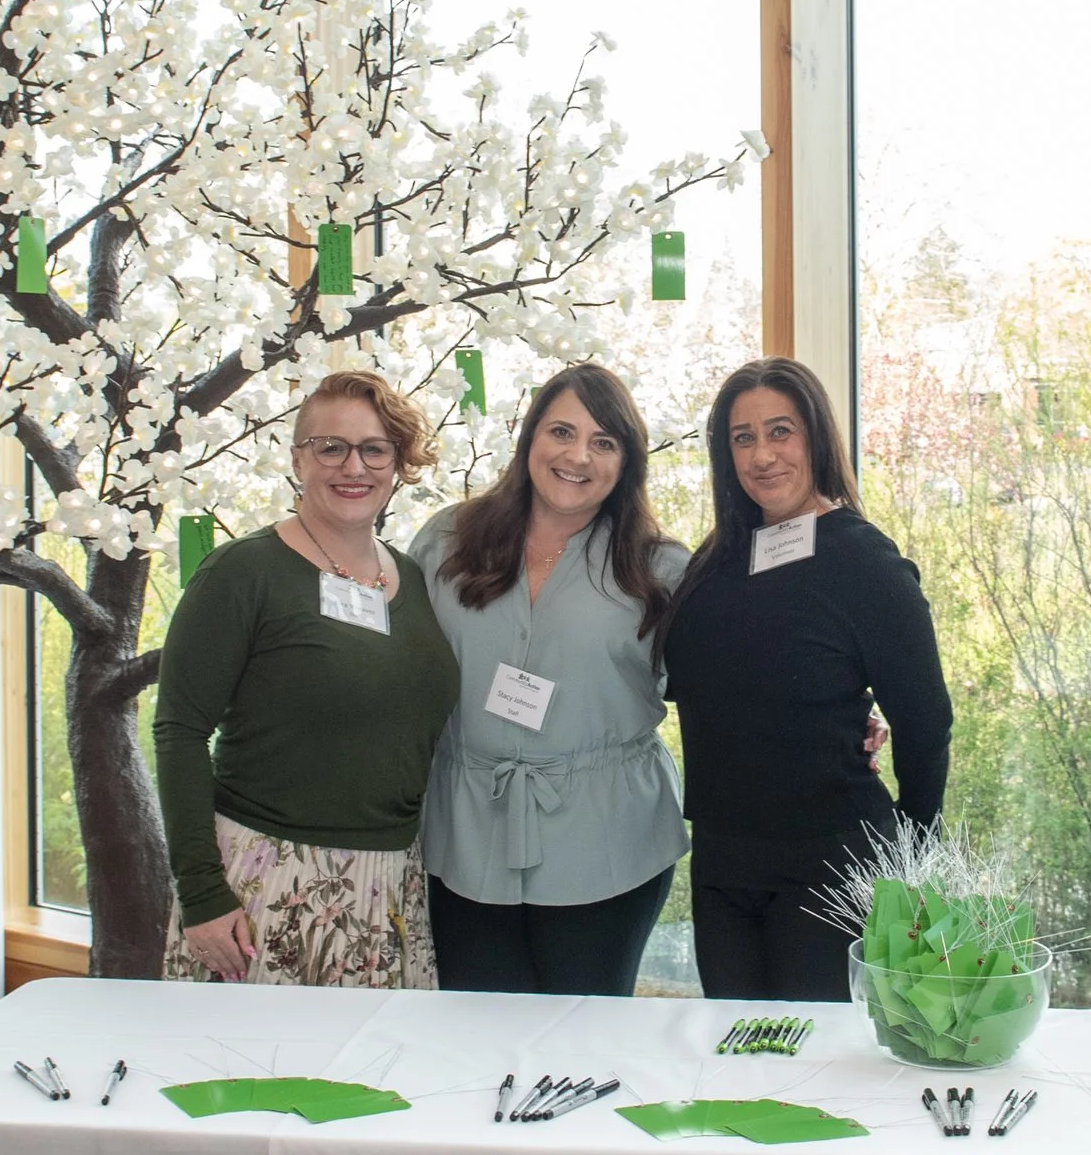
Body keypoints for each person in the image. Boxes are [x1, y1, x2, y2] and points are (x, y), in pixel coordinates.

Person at [656, 356, 952, 1001]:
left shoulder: (862, 559)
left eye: (780, 431)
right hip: (723, 860)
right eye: (743, 437)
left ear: (816, 435)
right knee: (737, 1060)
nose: (763, 455)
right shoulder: (719, 560)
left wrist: (911, 861)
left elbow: (928, 722)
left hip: (830, 861)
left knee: (814, 1073)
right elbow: (703, 685)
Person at [153, 369, 460, 987]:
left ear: (396, 463)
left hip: (391, 884)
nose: (355, 467)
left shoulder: (412, 578)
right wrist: (202, 893)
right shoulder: (242, 573)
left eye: (375, 449)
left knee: (373, 1077)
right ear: (299, 458)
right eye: (331, 447)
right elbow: (180, 732)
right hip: (266, 882)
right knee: (258, 1076)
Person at [412, 364, 689, 995]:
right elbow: (390, 660)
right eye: (562, 431)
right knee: (475, 1032)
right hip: (465, 831)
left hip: (608, 835)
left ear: (627, 461)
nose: (577, 456)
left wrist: (843, 717)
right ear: (530, 437)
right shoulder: (447, 541)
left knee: (583, 1033)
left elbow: (729, 686)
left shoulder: (660, 568)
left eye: (603, 442)